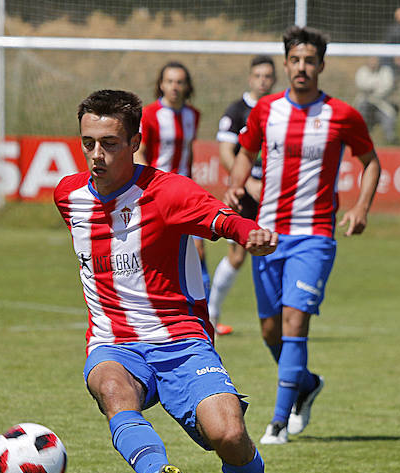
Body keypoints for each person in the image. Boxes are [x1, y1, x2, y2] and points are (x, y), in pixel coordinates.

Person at [54, 89, 296, 473]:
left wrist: (247, 233)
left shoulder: (169, 192)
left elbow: (218, 217)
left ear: (136, 142)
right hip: (113, 343)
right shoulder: (68, 196)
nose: (97, 156)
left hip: (181, 342)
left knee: (228, 435)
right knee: (112, 389)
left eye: (110, 144)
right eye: (88, 144)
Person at [225, 26, 381, 445]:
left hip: (314, 235)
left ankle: (277, 421)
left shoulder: (342, 115)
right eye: (295, 60)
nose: (302, 67)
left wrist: (361, 206)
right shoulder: (265, 111)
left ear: (321, 66)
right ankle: (306, 384)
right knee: (270, 331)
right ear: (285, 64)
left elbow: (371, 162)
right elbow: (246, 153)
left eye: (310, 61)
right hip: (267, 234)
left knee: (295, 321)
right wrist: (236, 185)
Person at [209, 55, 277, 337]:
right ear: (251, 78)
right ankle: (211, 313)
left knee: (277, 251)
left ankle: (282, 319)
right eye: (258, 76)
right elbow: (226, 153)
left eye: (267, 76)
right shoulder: (237, 111)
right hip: (247, 192)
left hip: (274, 192)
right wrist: (247, 182)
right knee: (238, 255)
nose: (263, 81)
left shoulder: (279, 109)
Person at [134, 62, 211, 296]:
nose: (174, 87)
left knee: (198, 249)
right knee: (156, 250)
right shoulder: (149, 114)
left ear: (187, 86)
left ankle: (206, 311)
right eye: (169, 81)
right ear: (161, 84)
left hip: (186, 192)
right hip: (158, 192)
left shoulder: (193, 115)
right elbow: (139, 153)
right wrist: (150, 188)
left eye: (179, 82)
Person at [354, 56, 398, 144]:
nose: (373, 63)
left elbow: (387, 87)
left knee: (389, 117)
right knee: (361, 111)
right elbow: (362, 85)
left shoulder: (386, 71)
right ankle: (360, 138)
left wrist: (372, 89)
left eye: (375, 60)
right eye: (371, 60)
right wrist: (376, 86)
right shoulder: (362, 71)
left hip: (381, 104)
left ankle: (390, 139)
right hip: (365, 102)